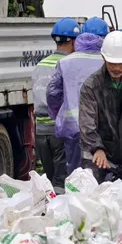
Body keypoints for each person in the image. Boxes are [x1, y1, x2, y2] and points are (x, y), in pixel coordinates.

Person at [79, 31, 122, 185]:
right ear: (103, 58)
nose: (116, 68)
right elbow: (87, 123)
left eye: (121, 63)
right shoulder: (91, 86)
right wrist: (97, 148)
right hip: (98, 156)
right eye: (112, 63)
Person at [47, 17, 108, 183]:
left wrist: (58, 115)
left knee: (76, 178)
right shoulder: (109, 62)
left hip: (72, 128)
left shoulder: (66, 62)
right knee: (103, 178)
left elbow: (52, 93)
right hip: (103, 130)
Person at [33, 18, 80, 184]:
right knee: (61, 180)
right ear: (74, 42)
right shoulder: (68, 65)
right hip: (60, 131)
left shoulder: (40, 65)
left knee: (48, 178)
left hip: (40, 131)